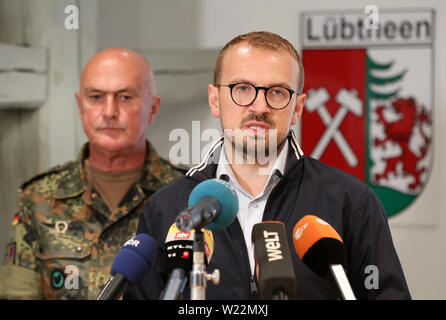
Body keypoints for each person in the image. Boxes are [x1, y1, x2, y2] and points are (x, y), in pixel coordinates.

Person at [124, 32, 411, 299]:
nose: (259, 107)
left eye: (276, 92)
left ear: (297, 108)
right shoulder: (166, 208)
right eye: (243, 88)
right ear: (215, 99)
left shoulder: (351, 203)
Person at [0, 48, 185, 299]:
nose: (109, 111)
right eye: (96, 97)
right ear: (80, 106)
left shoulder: (185, 195)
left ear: (153, 108)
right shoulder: (39, 199)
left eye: (125, 97)